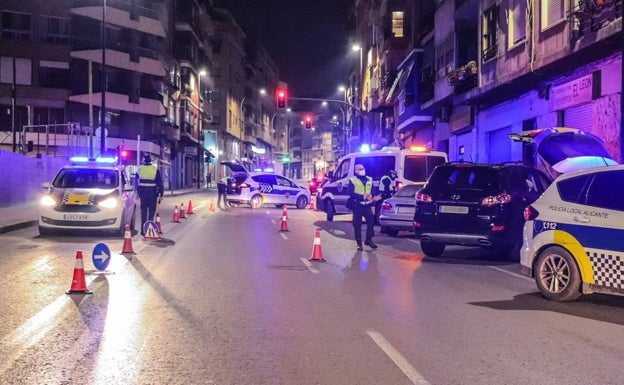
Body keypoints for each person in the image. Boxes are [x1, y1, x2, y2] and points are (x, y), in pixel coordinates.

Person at [348, 164, 380, 251]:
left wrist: (372, 195)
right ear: (356, 171)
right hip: (357, 205)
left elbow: (373, 189)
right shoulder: (352, 180)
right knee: (357, 225)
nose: (362, 170)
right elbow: (350, 192)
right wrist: (362, 196)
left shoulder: (369, 179)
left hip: (367, 205)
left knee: (371, 223)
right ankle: (359, 243)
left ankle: (368, 239)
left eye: (363, 168)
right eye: (359, 169)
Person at [136, 153, 164, 235]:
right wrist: (161, 193)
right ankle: (149, 229)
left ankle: (143, 230)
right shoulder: (155, 169)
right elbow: (159, 182)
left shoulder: (139, 169)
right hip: (152, 194)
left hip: (143, 194)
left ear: (143, 161)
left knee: (143, 212)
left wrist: (137, 192)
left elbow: (136, 182)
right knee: (151, 212)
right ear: (150, 161)